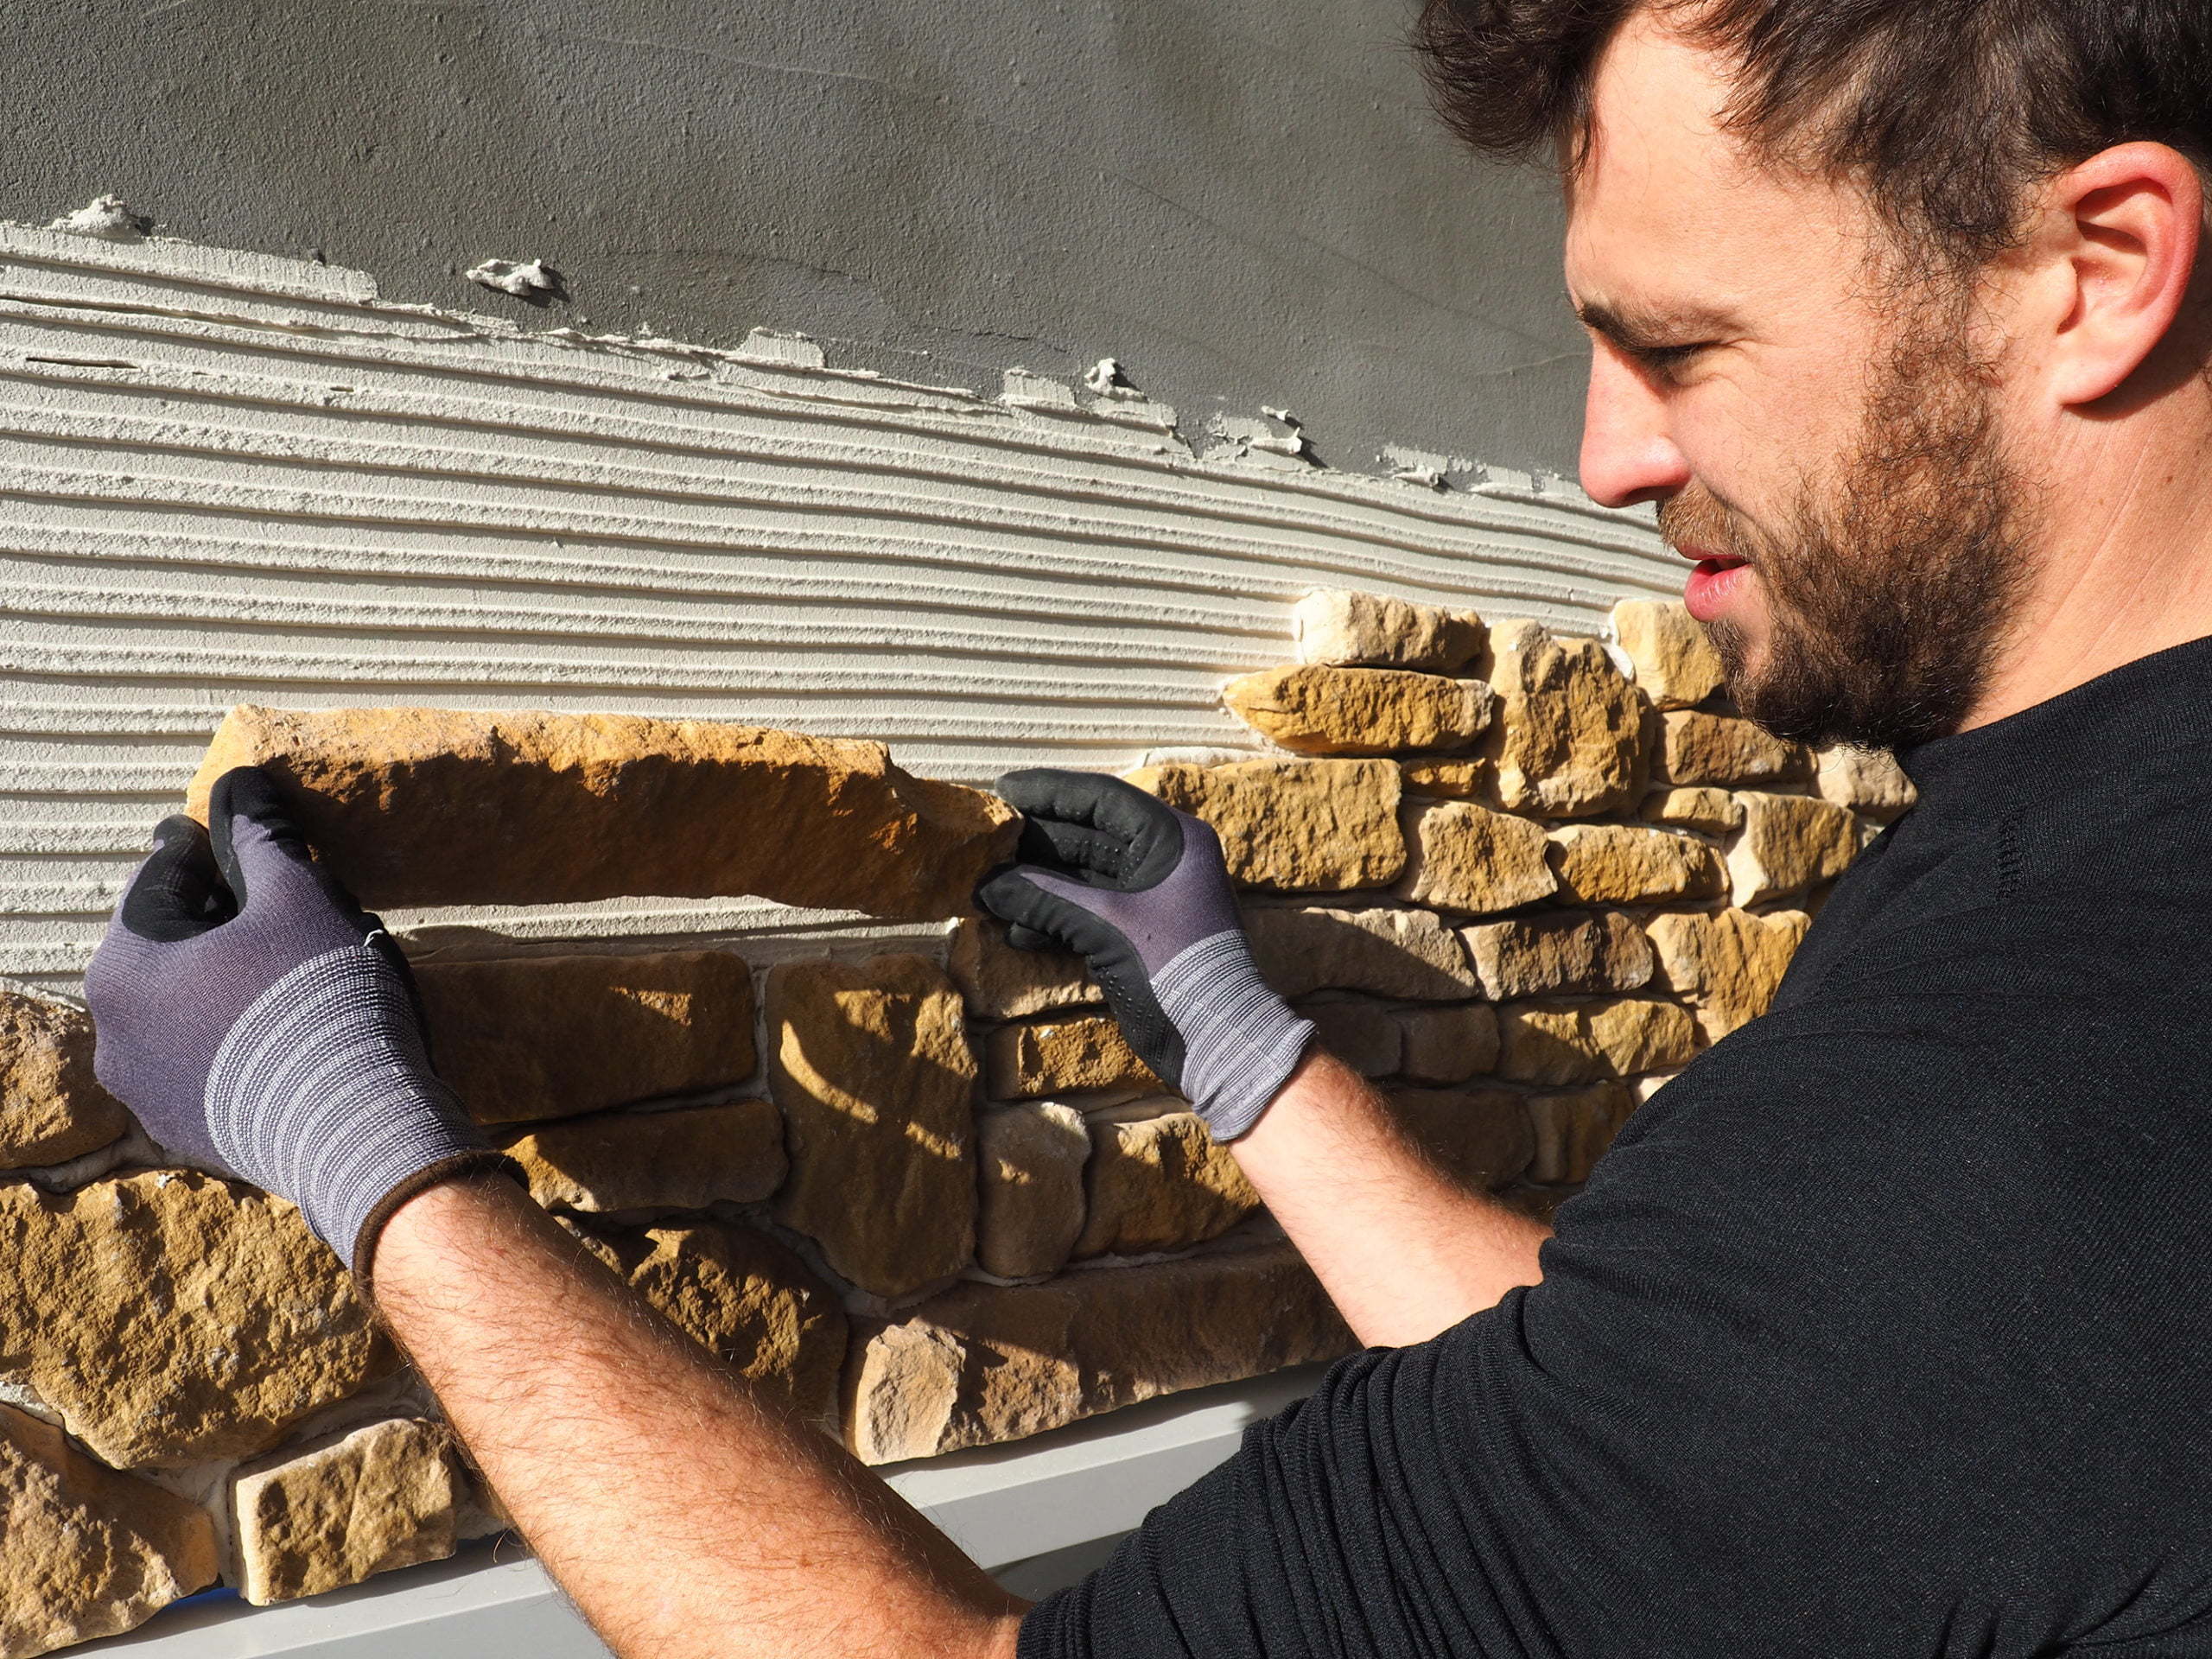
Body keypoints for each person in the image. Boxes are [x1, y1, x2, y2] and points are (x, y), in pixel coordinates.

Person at [79, 0, 2212, 1654]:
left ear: (2093, 266)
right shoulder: (2067, 947)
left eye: (1676, 346)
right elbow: (1699, 1407)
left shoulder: (2020, 1104)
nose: (1598, 460)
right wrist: (1242, 1046)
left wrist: (373, 1168)